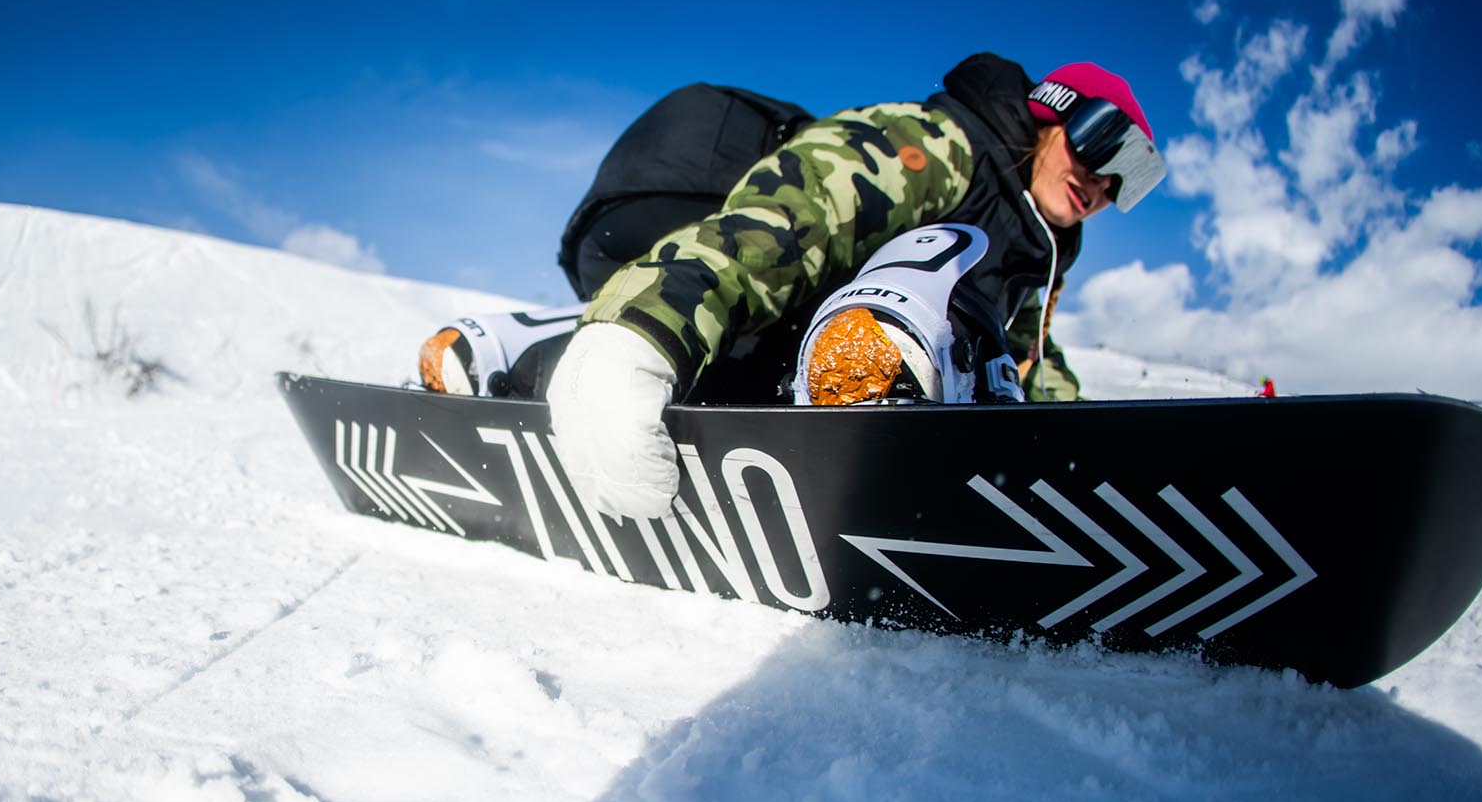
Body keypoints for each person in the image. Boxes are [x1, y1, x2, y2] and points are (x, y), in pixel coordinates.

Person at [421, 53, 1163, 520]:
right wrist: (640, 330)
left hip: (765, 341)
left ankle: (514, 351)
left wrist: (1089, 451)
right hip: (719, 273)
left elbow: (1034, 358)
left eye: (1127, 182)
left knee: (963, 339)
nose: (1102, 183)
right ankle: (855, 364)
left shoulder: (1039, 247)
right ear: (1052, 117)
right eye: (1101, 147)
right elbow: (790, 220)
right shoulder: (942, 146)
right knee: (942, 260)